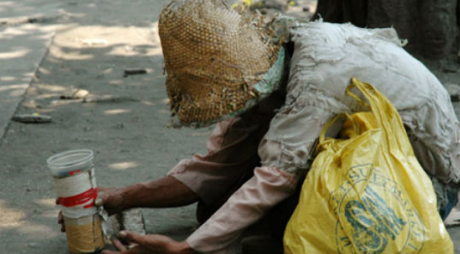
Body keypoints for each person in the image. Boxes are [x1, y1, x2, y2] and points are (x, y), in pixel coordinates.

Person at [58, 0, 460, 253]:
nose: (235, 110)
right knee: (217, 203)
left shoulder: (315, 80)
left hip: (422, 185)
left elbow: (274, 178)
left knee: (288, 220)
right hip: (370, 157)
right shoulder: (278, 59)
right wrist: (124, 196)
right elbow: (216, 167)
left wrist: (188, 249)